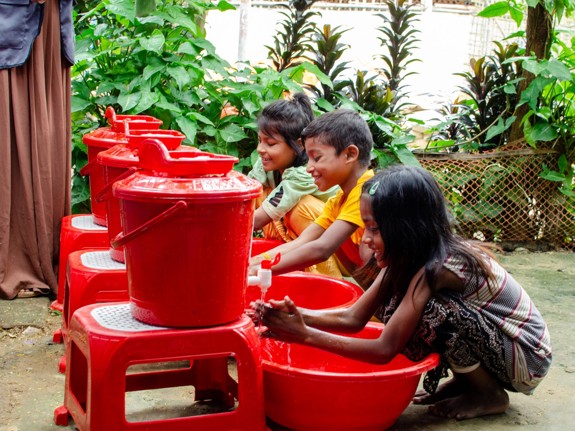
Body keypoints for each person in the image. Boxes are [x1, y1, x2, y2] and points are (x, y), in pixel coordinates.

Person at [252, 164, 552, 421]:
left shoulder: (440, 266)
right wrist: (291, 318)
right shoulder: (408, 256)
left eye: (375, 229)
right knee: (394, 307)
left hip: (526, 358)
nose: (366, 240)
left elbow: (385, 349)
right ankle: (469, 383)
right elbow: (355, 316)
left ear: (408, 229)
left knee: (434, 313)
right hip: (497, 345)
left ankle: (488, 394)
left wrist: (303, 335)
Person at [250, 108, 377, 287]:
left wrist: (260, 268)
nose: (309, 167)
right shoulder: (339, 199)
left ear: (349, 154)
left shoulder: (366, 192)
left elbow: (321, 248)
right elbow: (303, 242)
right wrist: (254, 263)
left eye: (316, 158)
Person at [0, 0, 74, 299]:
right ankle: (14, 257)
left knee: (45, 136)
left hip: (49, 25)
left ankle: (38, 252)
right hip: (10, 24)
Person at [248, 92, 339, 277]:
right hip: (299, 238)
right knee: (259, 193)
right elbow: (246, 192)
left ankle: (324, 276)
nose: (260, 149)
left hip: (331, 245)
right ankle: (280, 254)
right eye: (260, 141)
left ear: (299, 145)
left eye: (271, 143)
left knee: (300, 206)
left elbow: (257, 220)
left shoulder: (305, 172)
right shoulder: (268, 162)